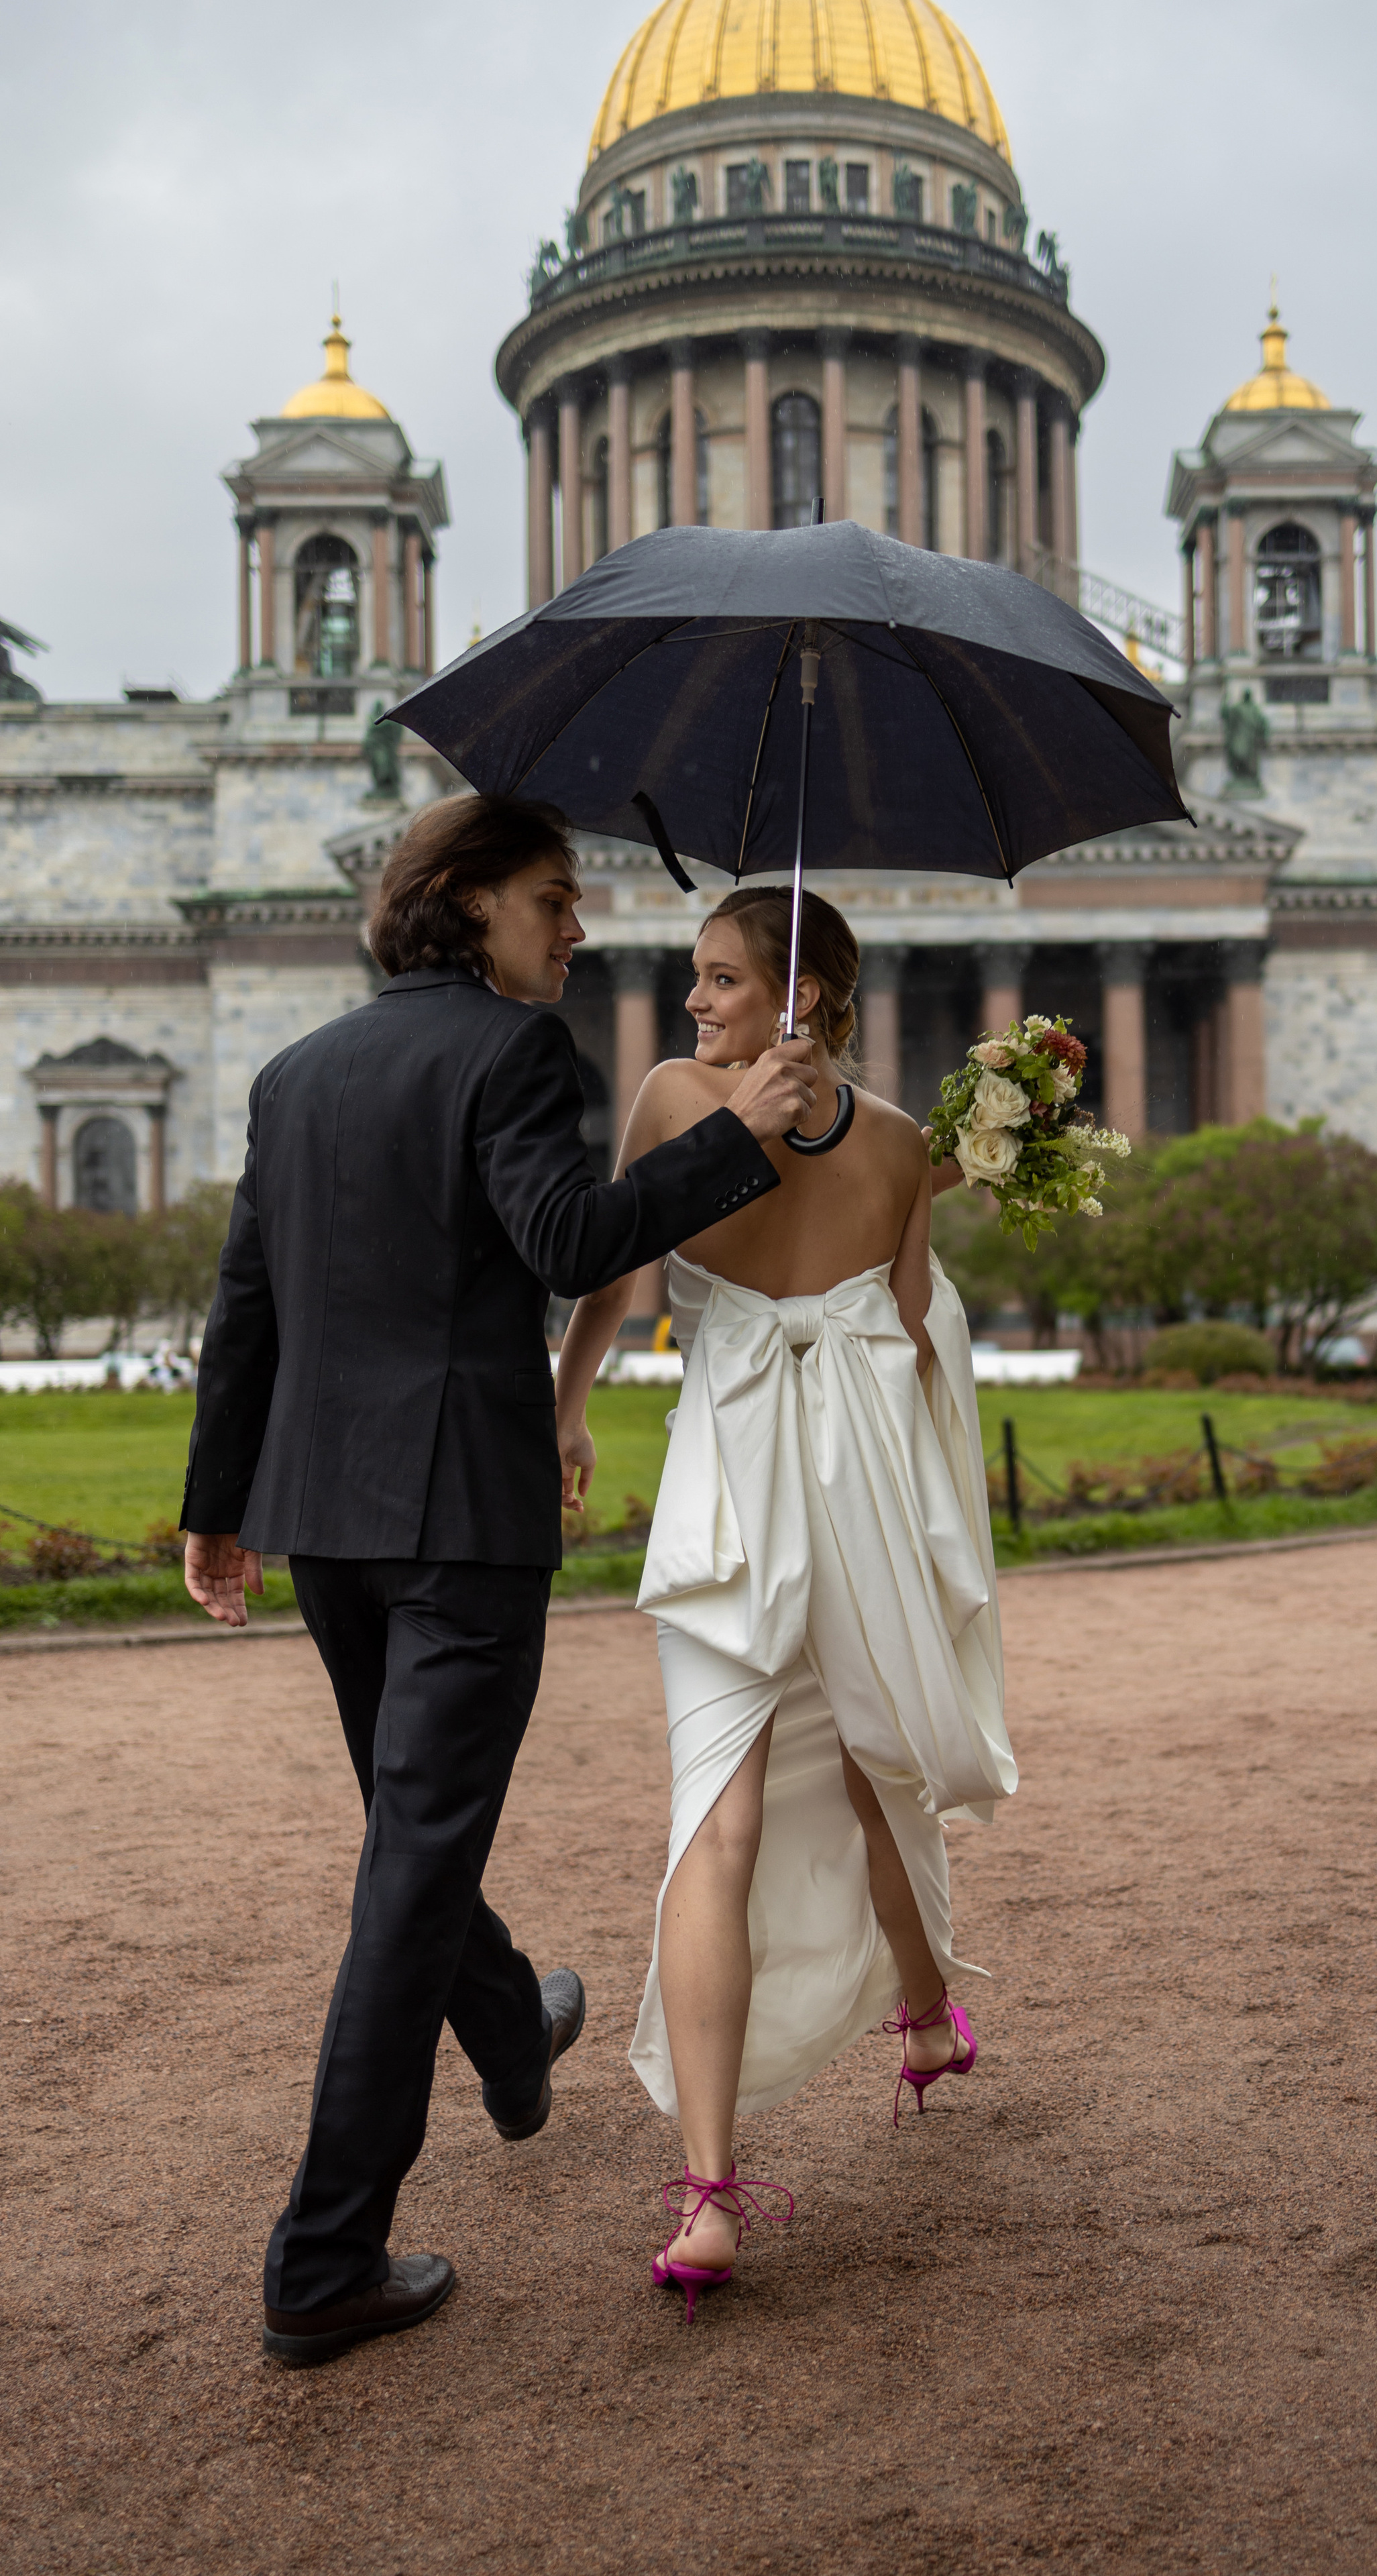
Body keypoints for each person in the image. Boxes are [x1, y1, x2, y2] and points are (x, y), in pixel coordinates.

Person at [178, 795, 820, 2367]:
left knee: (414, 1838)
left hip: (322, 1514)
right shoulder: (513, 1053)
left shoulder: (297, 1071)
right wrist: (741, 1134)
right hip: (460, 1521)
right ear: (466, 902)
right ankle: (325, 2258)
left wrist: (218, 1505)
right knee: (409, 1869)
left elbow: (246, 1299)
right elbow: (563, 1237)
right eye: (554, 897)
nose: (579, 925)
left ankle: (513, 2024)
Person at [554, 886, 1017, 2323]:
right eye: (695, 983)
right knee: (824, 1794)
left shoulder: (698, 1112)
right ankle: (890, 2054)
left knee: (772, 1802)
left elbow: (617, 1284)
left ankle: (720, 2188)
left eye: (721, 981)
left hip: (747, 1497)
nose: (694, 1004)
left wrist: (565, 1410)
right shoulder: (887, 1147)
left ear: (800, 998)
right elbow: (917, 1339)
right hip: (846, 1497)